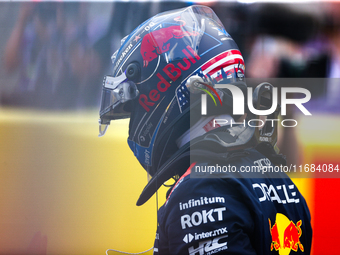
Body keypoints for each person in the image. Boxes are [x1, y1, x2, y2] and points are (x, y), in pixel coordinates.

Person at [98, 5, 312, 254]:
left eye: (133, 109)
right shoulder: (275, 175)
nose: (134, 121)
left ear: (165, 89)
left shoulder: (199, 189)